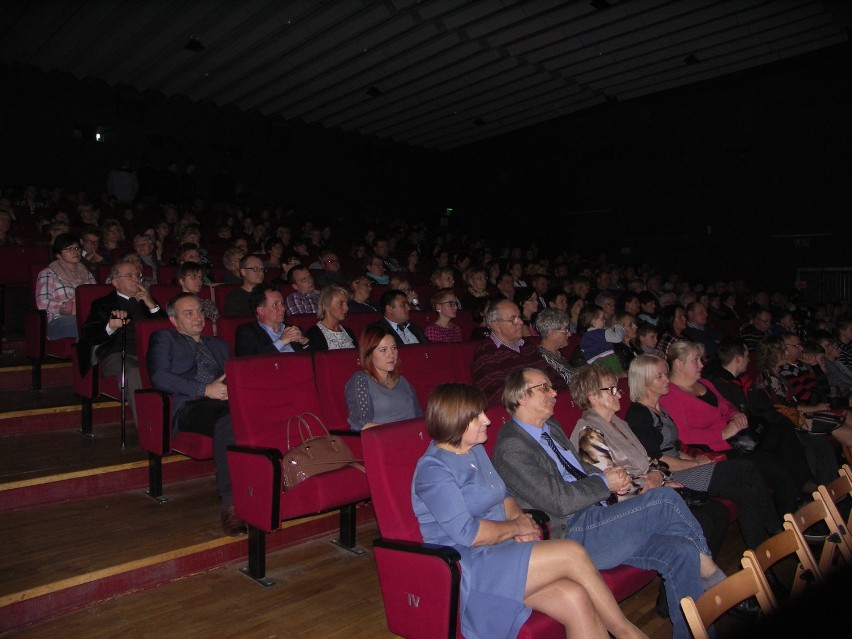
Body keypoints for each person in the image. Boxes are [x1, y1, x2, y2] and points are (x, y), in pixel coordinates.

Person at [492, 368, 727, 639]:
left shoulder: (550, 427)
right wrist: (604, 484)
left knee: (682, 551)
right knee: (664, 499)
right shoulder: (512, 447)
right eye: (544, 388)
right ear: (521, 397)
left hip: (599, 517)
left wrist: (609, 476)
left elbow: (580, 468)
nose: (554, 392)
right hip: (571, 533)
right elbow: (558, 501)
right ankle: (711, 572)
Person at [412, 383, 647, 639]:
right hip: (470, 564)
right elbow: (469, 534)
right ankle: (625, 632)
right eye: (477, 415)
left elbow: (504, 495)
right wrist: (517, 527)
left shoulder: (474, 450)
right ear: (454, 421)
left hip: (502, 549)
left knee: (575, 596)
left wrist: (518, 518)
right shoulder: (433, 470)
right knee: (571, 553)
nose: (487, 420)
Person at [569, 363, 732, 561]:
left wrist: (658, 475)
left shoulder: (618, 423)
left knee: (719, 512)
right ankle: (700, 581)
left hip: (653, 493)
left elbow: (650, 460)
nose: (619, 395)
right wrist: (656, 483)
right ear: (592, 396)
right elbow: (613, 487)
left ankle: (701, 580)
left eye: (617, 389)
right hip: (627, 508)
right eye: (611, 390)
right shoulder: (589, 434)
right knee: (704, 520)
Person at [624, 355, 781, 550]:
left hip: (683, 467)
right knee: (745, 468)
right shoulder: (638, 414)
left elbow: (674, 448)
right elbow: (656, 459)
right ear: (644, 381)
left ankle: (761, 555)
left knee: (746, 492)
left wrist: (698, 459)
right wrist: (696, 464)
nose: (667, 379)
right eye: (660, 376)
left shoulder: (660, 408)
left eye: (666, 374)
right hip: (670, 476)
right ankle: (777, 531)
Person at [660, 339, 800, 516]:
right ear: (679, 364)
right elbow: (684, 435)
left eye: (701, 359)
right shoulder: (671, 394)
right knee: (780, 472)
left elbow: (725, 405)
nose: (701, 364)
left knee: (783, 433)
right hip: (717, 449)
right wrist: (723, 433)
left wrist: (734, 415)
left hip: (737, 439)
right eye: (695, 359)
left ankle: (805, 491)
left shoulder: (705, 383)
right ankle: (790, 522)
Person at [147, 293, 244, 536]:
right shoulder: (164, 338)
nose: (197, 317)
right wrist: (205, 389)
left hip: (224, 401)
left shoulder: (219, 345)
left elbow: (238, 376)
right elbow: (159, 377)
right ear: (173, 320)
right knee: (231, 418)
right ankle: (230, 503)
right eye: (188, 313)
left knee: (253, 410)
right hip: (189, 405)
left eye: (199, 311)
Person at [78, 261, 167, 424]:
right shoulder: (102, 304)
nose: (136, 279)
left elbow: (167, 330)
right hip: (116, 354)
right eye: (129, 275)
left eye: (137, 275)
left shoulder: (149, 301)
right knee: (132, 371)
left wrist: (152, 305)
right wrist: (110, 326)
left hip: (149, 355)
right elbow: (88, 333)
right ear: (115, 282)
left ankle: (173, 422)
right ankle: (148, 428)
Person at [471, 299, 554, 405]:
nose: (521, 322)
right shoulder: (486, 352)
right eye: (513, 319)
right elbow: (498, 395)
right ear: (496, 326)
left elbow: (553, 377)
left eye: (520, 317)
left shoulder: (527, 346)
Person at [344, 325, 422, 431]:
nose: (391, 355)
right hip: (384, 441)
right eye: (383, 350)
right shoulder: (361, 380)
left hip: (413, 438)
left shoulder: (403, 381)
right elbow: (360, 424)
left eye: (394, 348)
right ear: (369, 354)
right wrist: (397, 432)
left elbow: (419, 418)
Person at [35, 233, 96, 340]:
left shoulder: (88, 274)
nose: (75, 251)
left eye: (77, 248)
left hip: (86, 316)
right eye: (69, 249)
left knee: (105, 324)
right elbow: (41, 302)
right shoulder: (48, 273)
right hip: (58, 320)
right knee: (84, 325)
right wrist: (62, 307)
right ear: (58, 255)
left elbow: (95, 297)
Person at [234, 284, 309, 356]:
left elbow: (314, 361)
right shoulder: (247, 333)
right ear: (261, 310)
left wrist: (305, 342)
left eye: (282, 303)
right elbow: (249, 363)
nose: (283, 308)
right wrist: (281, 342)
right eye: (275, 304)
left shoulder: (294, 330)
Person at [305, 285, 357, 351]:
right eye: (340, 303)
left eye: (346, 303)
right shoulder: (314, 333)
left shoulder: (348, 332)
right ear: (326, 306)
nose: (346, 308)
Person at [534, 309, 576, 385]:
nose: (569, 334)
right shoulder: (542, 359)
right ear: (551, 333)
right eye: (565, 330)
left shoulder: (557, 353)